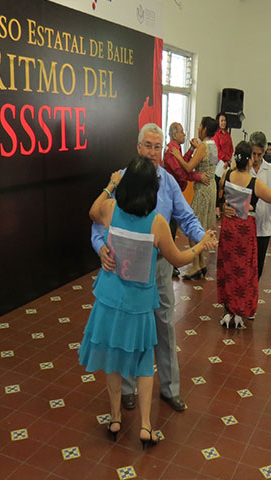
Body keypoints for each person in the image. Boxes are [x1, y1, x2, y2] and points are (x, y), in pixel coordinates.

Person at [82, 157, 218, 449]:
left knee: (113, 359)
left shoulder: (111, 209)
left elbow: (93, 211)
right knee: (144, 362)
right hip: (140, 301)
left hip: (110, 297)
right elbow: (178, 259)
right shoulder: (156, 223)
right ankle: (145, 425)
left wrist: (110, 184)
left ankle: (115, 418)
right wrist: (200, 245)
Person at [91, 123, 205, 414]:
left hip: (160, 265)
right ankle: (127, 389)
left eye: (158, 147)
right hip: (124, 270)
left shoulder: (168, 182)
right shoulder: (122, 179)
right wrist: (100, 247)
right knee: (128, 328)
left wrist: (202, 237)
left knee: (164, 326)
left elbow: (187, 217)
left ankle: (170, 389)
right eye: (148, 146)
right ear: (138, 147)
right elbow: (97, 223)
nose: (153, 152)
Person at [217, 141, 271, 328]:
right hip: (244, 231)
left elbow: (220, 194)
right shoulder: (254, 183)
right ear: (249, 160)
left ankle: (228, 308)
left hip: (228, 228)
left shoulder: (227, 175)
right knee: (244, 269)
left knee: (228, 267)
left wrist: (224, 206)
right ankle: (240, 309)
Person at [163, 122, 210, 277]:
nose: (185, 134)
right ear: (174, 135)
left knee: (176, 226)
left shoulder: (176, 149)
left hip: (175, 193)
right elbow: (182, 173)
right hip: (169, 195)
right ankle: (169, 263)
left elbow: (183, 163)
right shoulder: (171, 151)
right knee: (170, 229)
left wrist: (190, 150)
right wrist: (198, 176)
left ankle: (175, 263)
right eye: (182, 132)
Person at [173, 116, 218, 279]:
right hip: (211, 187)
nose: (198, 128)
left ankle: (195, 265)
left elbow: (188, 167)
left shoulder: (203, 147)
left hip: (202, 190)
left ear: (205, 129)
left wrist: (178, 156)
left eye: (200, 125)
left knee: (193, 225)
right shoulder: (213, 146)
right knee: (202, 225)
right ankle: (201, 263)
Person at [249, 132, 271, 279]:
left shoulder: (270, 169)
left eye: (259, 154)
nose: (256, 158)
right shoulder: (244, 167)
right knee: (244, 266)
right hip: (245, 226)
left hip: (263, 227)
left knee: (258, 268)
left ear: (264, 152)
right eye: (253, 154)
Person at [213, 112, 234, 213]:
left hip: (227, 163)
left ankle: (225, 205)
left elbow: (231, 148)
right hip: (219, 163)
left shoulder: (228, 134)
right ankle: (216, 207)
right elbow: (217, 149)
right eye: (221, 121)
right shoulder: (216, 134)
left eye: (225, 121)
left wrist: (228, 160)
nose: (223, 123)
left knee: (228, 184)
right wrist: (224, 160)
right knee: (217, 185)